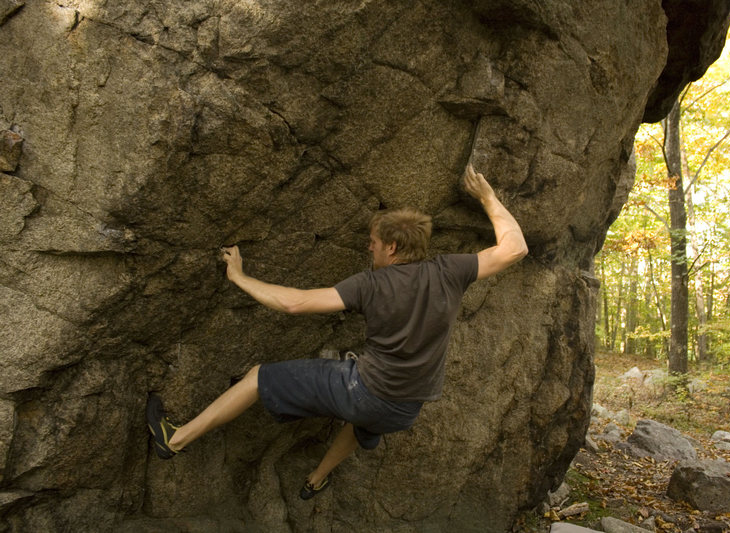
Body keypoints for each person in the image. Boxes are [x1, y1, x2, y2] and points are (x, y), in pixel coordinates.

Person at [147, 163, 528, 499]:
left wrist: (239, 276)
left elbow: (295, 303)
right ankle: (316, 480)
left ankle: (174, 439)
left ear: (392, 248)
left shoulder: (371, 284)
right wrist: (488, 197)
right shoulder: (451, 271)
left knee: (258, 377)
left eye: (374, 244)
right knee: (364, 421)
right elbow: (515, 248)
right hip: (407, 410)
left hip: (364, 392)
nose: (369, 248)